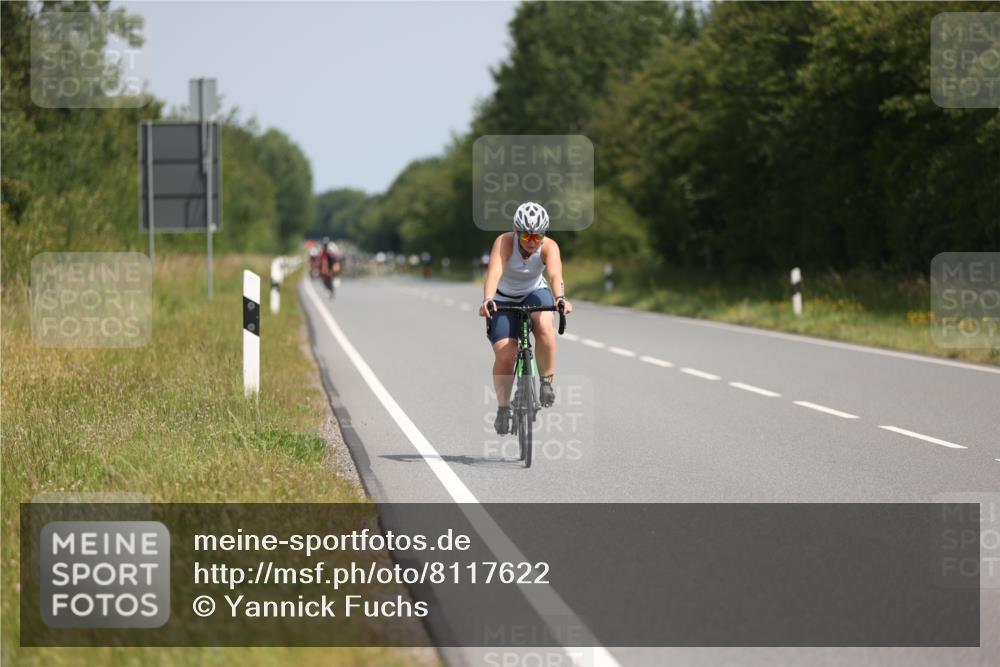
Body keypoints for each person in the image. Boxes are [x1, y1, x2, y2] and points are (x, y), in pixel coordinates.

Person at [479, 202, 573, 435]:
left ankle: (545, 382)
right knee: (506, 353)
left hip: (534, 291)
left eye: (538, 236)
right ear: (516, 231)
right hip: (503, 297)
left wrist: (560, 297)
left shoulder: (549, 247)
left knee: (544, 326)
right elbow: (494, 272)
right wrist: (488, 298)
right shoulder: (503, 242)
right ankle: (503, 408)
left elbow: (554, 273)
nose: (532, 241)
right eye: (526, 235)